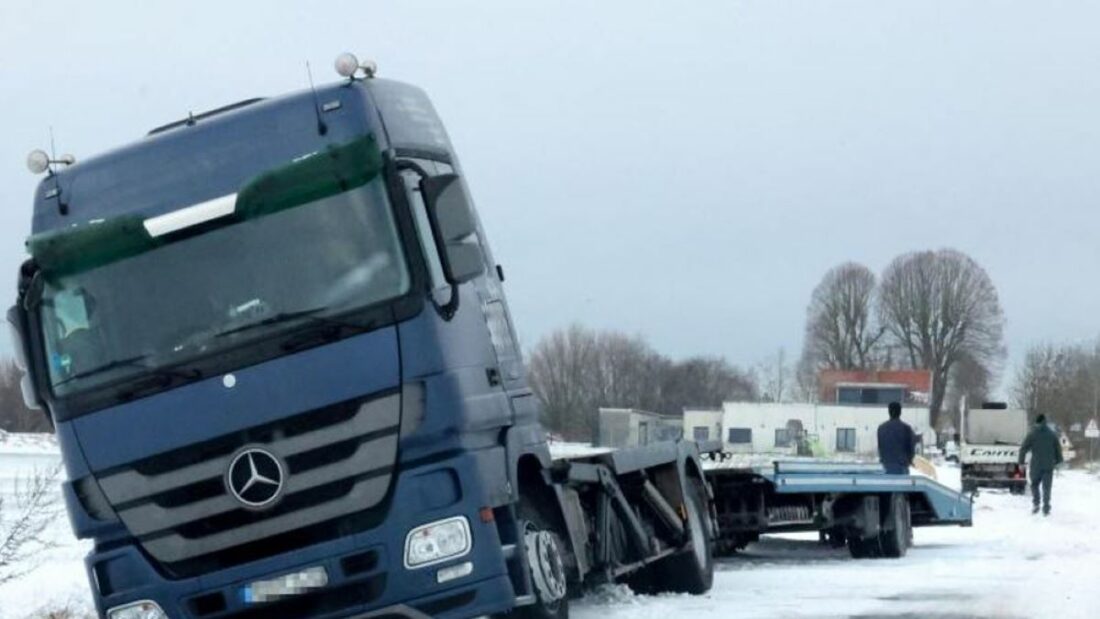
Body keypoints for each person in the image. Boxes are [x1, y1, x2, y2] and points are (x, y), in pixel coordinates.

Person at [1018, 414, 1063, 516]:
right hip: (1048, 466)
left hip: (1036, 465)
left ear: (1037, 422)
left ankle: (1036, 503)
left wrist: (1021, 462)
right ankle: (1046, 508)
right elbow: (1058, 450)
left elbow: (1023, 449)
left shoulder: (1032, 434)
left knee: (1034, 484)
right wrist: (1058, 462)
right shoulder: (1052, 435)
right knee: (1047, 487)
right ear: (1045, 422)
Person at [877, 401, 916, 475]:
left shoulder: (881, 428)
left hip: (886, 467)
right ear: (900, 412)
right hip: (902, 467)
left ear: (889, 412)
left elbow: (880, 448)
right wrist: (909, 460)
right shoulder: (906, 428)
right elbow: (911, 450)